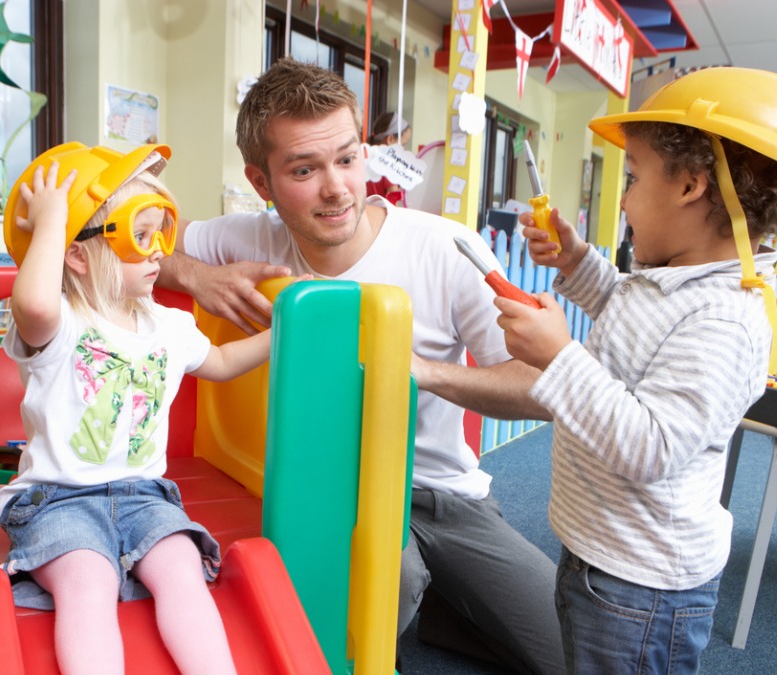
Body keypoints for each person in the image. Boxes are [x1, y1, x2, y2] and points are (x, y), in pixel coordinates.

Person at [160, 57, 565, 675]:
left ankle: (437, 603)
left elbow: (541, 386)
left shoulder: (445, 248)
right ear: (261, 181)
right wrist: (196, 273)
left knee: (570, 654)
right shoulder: (250, 238)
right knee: (363, 625)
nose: (337, 188)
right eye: (304, 169)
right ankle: (417, 601)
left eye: (347, 159)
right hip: (327, 495)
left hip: (441, 496)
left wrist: (421, 372)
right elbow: (113, 240)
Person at [493, 67, 777, 673]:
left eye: (633, 177)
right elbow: (629, 315)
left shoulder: (725, 320)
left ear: (690, 187)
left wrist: (559, 357)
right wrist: (574, 259)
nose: (622, 198)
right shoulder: (673, 281)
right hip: (606, 558)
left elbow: (651, 447)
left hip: (641, 590)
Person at [0, 141, 273, 675]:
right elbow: (33, 301)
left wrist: (282, 335)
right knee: (87, 579)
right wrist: (53, 220)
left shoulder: (168, 325)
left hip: (145, 497)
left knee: (182, 566)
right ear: (76, 253)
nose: (158, 251)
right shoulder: (61, 325)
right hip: (58, 502)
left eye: (161, 231)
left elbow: (221, 359)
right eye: (138, 236)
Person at [366, 110, 412, 206]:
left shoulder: (365, 159)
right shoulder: (389, 166)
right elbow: (393, 202)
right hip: (381, 218)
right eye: (403, 144)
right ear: (390, 139)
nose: (403, 149)